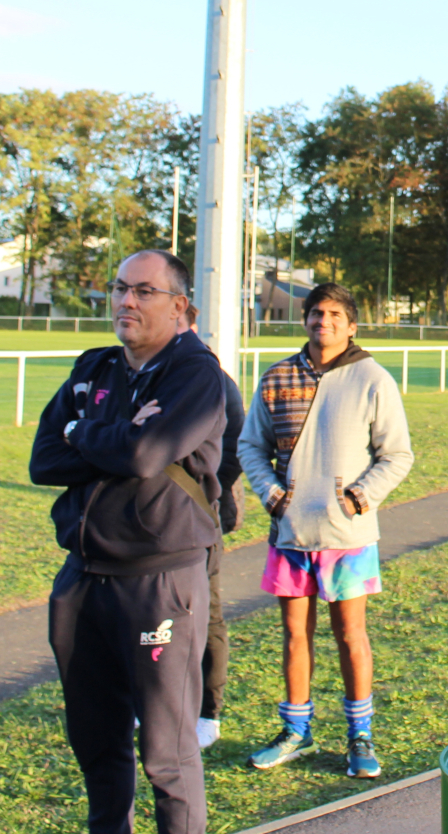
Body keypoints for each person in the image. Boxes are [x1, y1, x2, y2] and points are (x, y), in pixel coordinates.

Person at [30, 250, 227, 834]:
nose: (126, 302)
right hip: (83, 579)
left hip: (159, 582)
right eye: (120, 289)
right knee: (97, 745)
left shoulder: (196, 374)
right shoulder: (95, 367)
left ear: (178, 306)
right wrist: (110, 433)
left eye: (143, 291)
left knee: (167, 756)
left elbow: (145, 457)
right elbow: (44, 460)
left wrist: (81, 433)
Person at [237, 282, 413, 780]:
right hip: (291, 536)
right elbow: (250, 445)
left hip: (348, 538)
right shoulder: (276, 379)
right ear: (305, 320)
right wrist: (271, 492)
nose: (324, 322)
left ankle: (360, 735)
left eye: (335, 314)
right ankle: (297, 731)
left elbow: (397, 454)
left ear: (351, 324)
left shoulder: (373, 378)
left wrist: (358, 497)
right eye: (317, 313)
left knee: (350, 634)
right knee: (295, 635)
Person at [177, 302, 245, 752]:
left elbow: (238, 447)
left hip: (201, 522)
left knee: (206, 615)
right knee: (160, 618)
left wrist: (206, 495)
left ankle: (208, 713)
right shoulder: (146, 375)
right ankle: (161, 703)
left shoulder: (217, 381)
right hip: (150, 528)